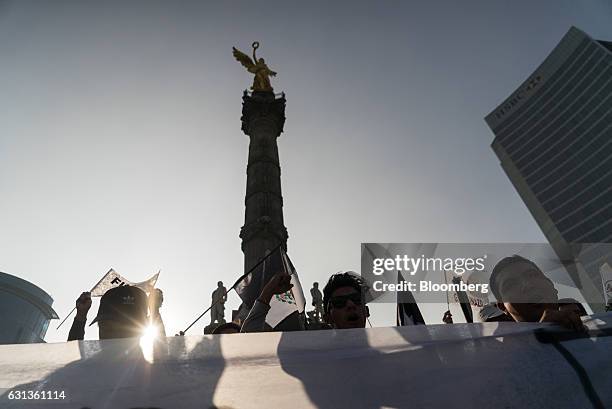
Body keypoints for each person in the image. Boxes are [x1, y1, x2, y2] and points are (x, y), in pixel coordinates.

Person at [241, 271, 369, 332]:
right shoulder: (314, 354)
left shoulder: (387, 354)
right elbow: (249, 342)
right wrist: (267, 292)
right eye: (340, 302)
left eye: (357, 300)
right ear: (327, 318)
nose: (351, 305)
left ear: (366, 311)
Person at [489, 255, 585, 331]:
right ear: (502, 306)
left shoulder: (596, 329)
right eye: (511, 285)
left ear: (551, 284)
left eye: (532, 275)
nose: (527, 285)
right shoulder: (500, 353)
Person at [67, 286, 149, 341]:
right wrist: (80, 316)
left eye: (124, 330)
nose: (110, 337)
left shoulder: (156, 364)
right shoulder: (96, 363)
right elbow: (72, 359)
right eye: (105, 329)